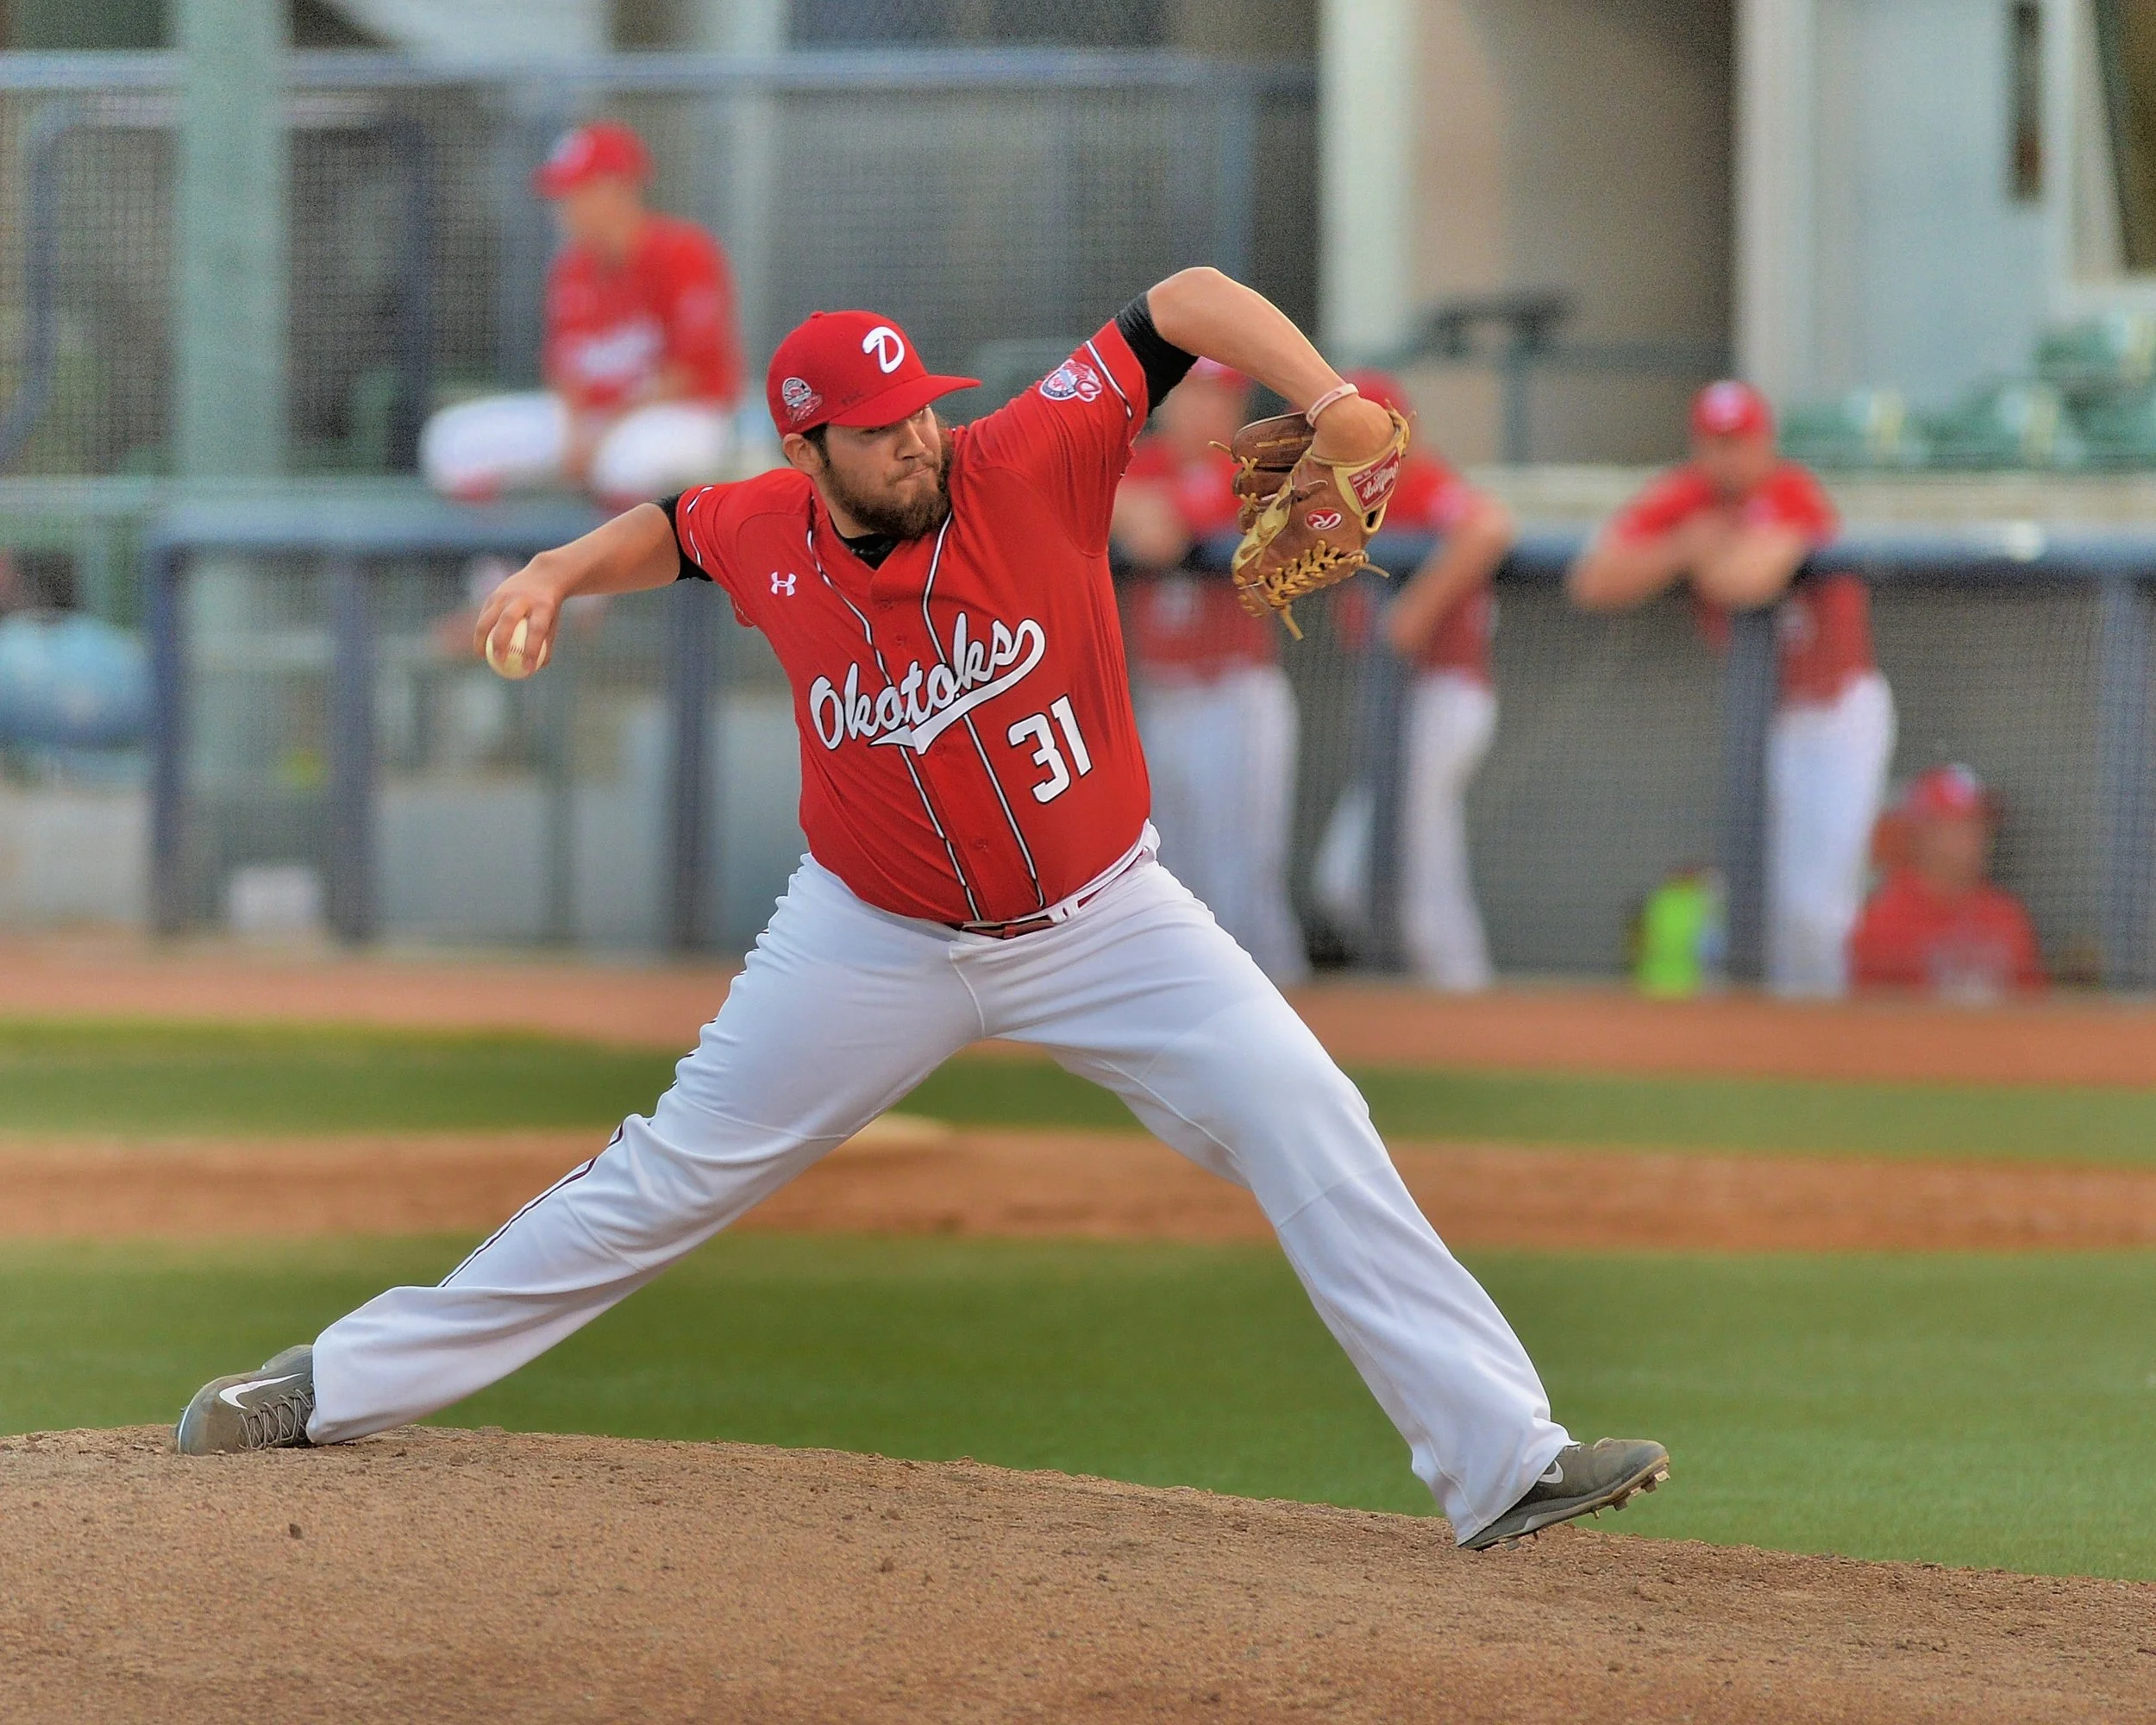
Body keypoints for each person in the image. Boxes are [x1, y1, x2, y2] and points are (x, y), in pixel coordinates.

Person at [174, 267, 1667, 1553]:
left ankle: (1502, 1463)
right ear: (809, 444)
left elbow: (1190, 301)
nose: (917, 436)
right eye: (880, 427)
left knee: (1306, 1110)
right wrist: (560, 571)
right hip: (870, 937)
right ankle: (332, 1383)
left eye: (921, 406)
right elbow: (676, 528)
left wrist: (1331, 396)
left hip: (1109, 920)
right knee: (665, 1175)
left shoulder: (1037, 454)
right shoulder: (772, 526)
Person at [1568, 380, 1895, 997]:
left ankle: (1826, 1032)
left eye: (1740, 442)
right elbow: (1593, 580)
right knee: (1768, 898)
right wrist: (1687, 545)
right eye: (1716, 444)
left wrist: (1695, 554)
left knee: (1818, 906)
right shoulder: (1687, 499)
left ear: (1765, 442)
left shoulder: (1792, 490)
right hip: (1770, 722)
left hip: (1839, 716)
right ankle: (1782, 1033)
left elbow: (1745, 581)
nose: (1728, 458)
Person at [419, 121, 746, 508]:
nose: (562, 208)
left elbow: (685, 372)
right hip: (593, 419)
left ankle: (631, 567)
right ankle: (504, 563)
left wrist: (601, 434)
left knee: (625, 462)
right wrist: (577, 435)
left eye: (574, 192)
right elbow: (566, 370)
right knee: (453, 441)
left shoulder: (684, 253)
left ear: (616, 189)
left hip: (682, 415)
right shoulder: (571, 268)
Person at [1110, 358, 1307, 983]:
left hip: (1234, 697)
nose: (1201, 409)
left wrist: (1128, 504)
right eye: (1190, 394)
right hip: (1165, 699)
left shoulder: (1252, 467)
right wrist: (1128, 500)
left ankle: (1286, 1010)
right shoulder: (1141, 462)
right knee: (1169, 877)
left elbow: (1159, 538)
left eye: (1215, 396)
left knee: (1242, 883)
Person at [1358, 368, 1514, 991]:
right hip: (1398, 704)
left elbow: (1489, 525)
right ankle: (1440, 1001)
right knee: (1351, 877)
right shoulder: (1342, 495)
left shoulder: (1418, 482)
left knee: (1417, 863)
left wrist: (1417, 606)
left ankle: (1459, 995)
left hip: (1445, 695)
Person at [1850, 764, 2042, 999]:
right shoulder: (1885, 920)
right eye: (1958, 825)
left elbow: (2035, 1007)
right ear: (1921, 834)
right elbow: (1867, 1023)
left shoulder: (2006, 915)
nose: (1975, 837)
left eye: (1979, 824)